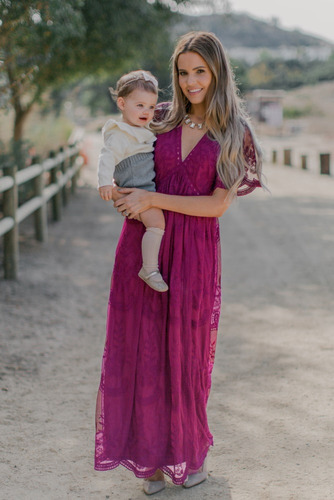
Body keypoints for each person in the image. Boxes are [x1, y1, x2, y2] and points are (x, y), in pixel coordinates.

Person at [95, 31, 264, 495]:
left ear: (217, 73)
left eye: (200, 72)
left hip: (195, 251)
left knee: (185, 355)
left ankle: (189, 454)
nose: (191, 82)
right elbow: (124, 161)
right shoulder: (159, 119)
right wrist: (127, 196)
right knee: (142, 350)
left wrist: (153, 196)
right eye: (184, 72)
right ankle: (148, 458)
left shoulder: (234, 131)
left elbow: (216, 205)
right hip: (145, 246)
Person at [97, 70, 168, 292]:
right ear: (122, 103)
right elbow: (106, 156)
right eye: (140, 105)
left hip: (144, 188)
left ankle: (150, 267)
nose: (146, 112)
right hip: (136, 192)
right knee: (157, 222)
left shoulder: (139, 129)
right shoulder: (120, 134)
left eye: (150, 107)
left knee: (156, 223)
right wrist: (105, 183)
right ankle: (149, 268)